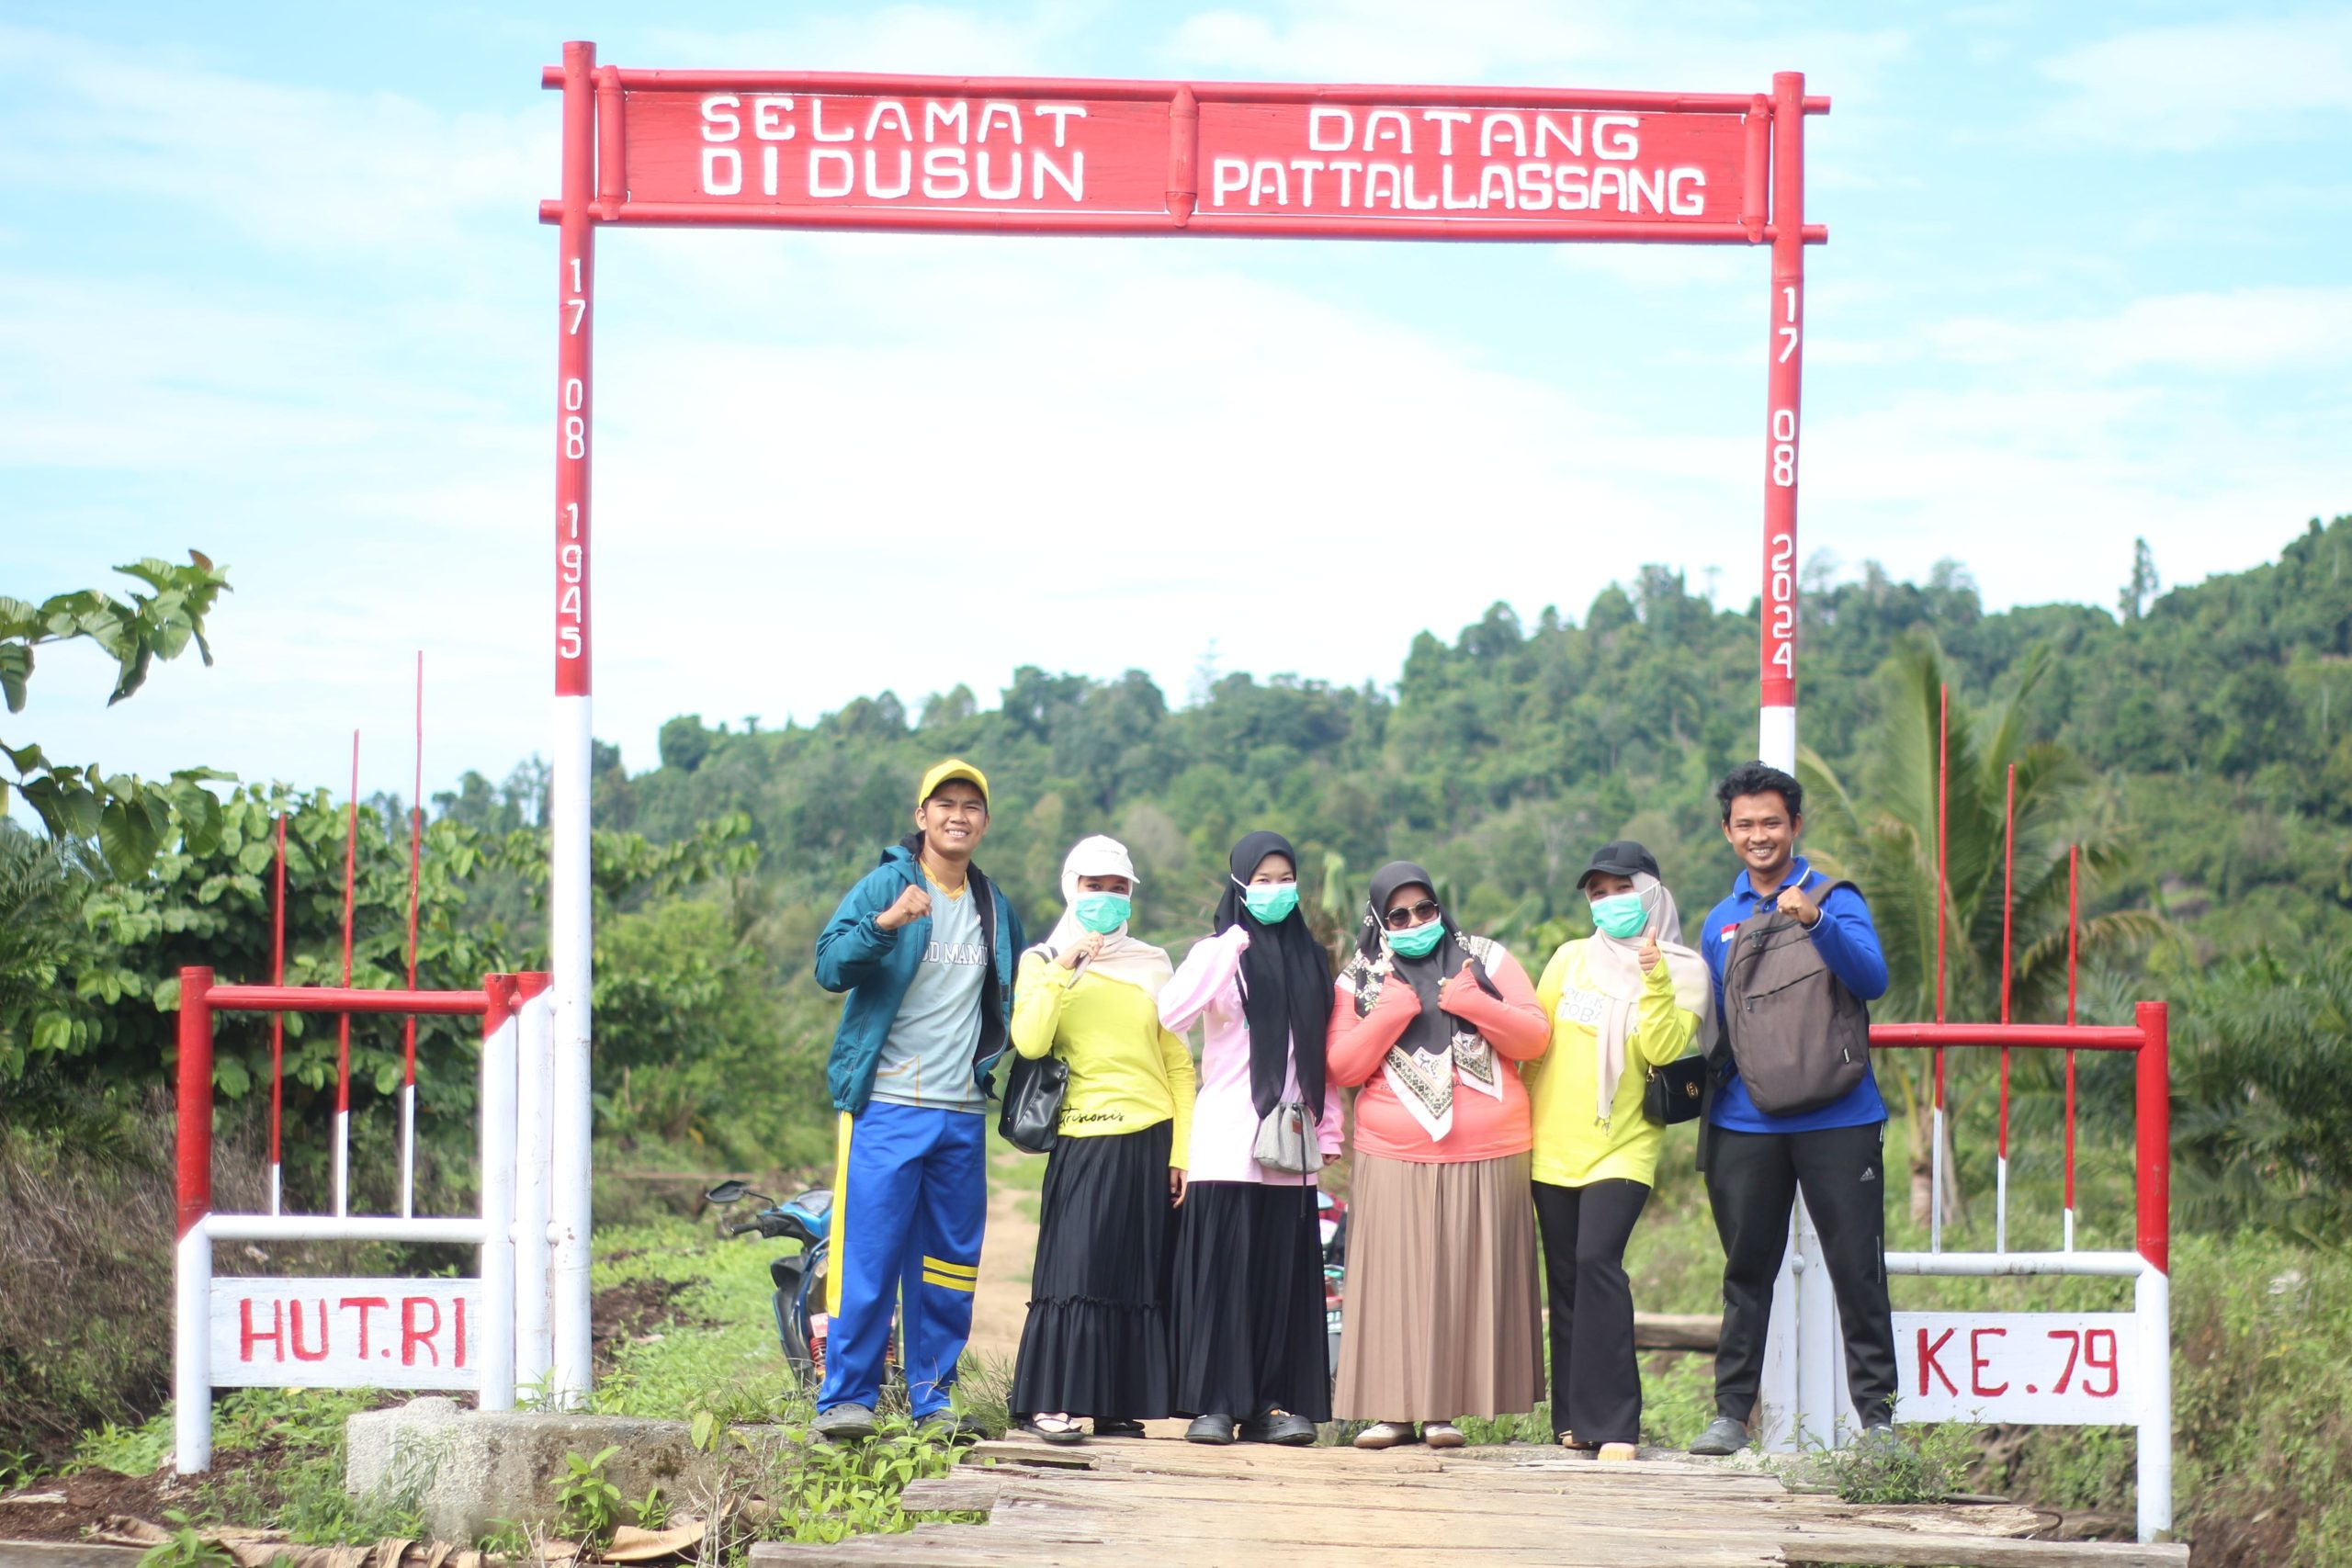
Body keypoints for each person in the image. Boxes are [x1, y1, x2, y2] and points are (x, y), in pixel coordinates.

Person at [809, 759, 1026, 1444]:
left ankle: (935, 1401)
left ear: (984, 822)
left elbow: (1017, 993)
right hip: (888, 1104)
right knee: (867, 1256)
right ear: (921, 815)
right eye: (946, 803)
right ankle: (847, 1400)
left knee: (946, 1264)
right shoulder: (889, 883)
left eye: (971, 805)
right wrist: (886, 921)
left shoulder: (994, 905)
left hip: (961, 1112)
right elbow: (829, 965)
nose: (958, 815)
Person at [1689, 761, 1896, 1457]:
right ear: (1727, 832)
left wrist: (1817, 923)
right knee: (1746, 1274)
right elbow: (1714, 1024)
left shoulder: (1835, 898)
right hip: (1746, 1123)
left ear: (1796, 826)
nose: (1759, 835)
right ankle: (1729, 1417)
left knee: (1857, 1272)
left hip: (1839, 1118)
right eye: (1745, 824)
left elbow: (1873, 979)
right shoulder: (1720, 920)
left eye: (1771, 821)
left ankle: (1878, 1423)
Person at [1328, 861, 1551, 1450]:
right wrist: (1393, 1013)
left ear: (1439, 907)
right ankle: (1394, 1412)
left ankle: (1443, 1413)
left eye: (1425, 909)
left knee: (1463, 1280)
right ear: (1379, 919)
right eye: (1398, 915)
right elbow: (1344, 1066)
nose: (1415, 922)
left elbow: (1533, 1036)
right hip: (1393, 1149)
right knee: (1394, 1282)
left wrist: (1473, 1002)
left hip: (1490, 1148)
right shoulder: (1360, 980)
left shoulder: (1486, 958)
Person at [1525, 840, 1711, 1461]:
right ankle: (1575, 1419)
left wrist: (1653, 976)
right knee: (1567, 1278)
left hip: (1623, 1146)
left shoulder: (1685, 969)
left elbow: (1663, 1050)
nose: (1608, 902)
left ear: (1652, 893)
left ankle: (1619, 1424)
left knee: (1598, 1260)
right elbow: (1536, 1046)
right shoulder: (1568, 959)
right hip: (1552, 1143)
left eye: (1620, 888)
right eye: (1597, 893)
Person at [1008, 836, 1196, 1443]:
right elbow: (1031, 1041)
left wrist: (1182, 1151)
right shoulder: (1042, 959)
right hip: (1085, 1131)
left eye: (1119, 888)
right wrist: (1066, 967)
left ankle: (1117, 1402)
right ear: (1071, 887)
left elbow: (1177, 1061)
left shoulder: (1153, 962)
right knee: (1075, 1267)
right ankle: (1052, 1400)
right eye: (1095, 886)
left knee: (1134, 1272)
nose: (1107, 898)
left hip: (1150, 1131)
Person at [1159, 830, 1342, 1446]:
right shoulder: (1219, 952)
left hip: (1291, 1149)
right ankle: (1214, 1402)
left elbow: (1325, 1052)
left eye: (1284, 877)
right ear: (1239, 884)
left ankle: (1271, 1404)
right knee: (1222, 1281)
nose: (1274, 889)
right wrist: (1231, 942)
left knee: (1277, 1281)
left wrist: (1331, 1125)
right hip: (1225, 1144)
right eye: (1261, 879)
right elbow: (1172, 1011)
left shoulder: (1312, 958)